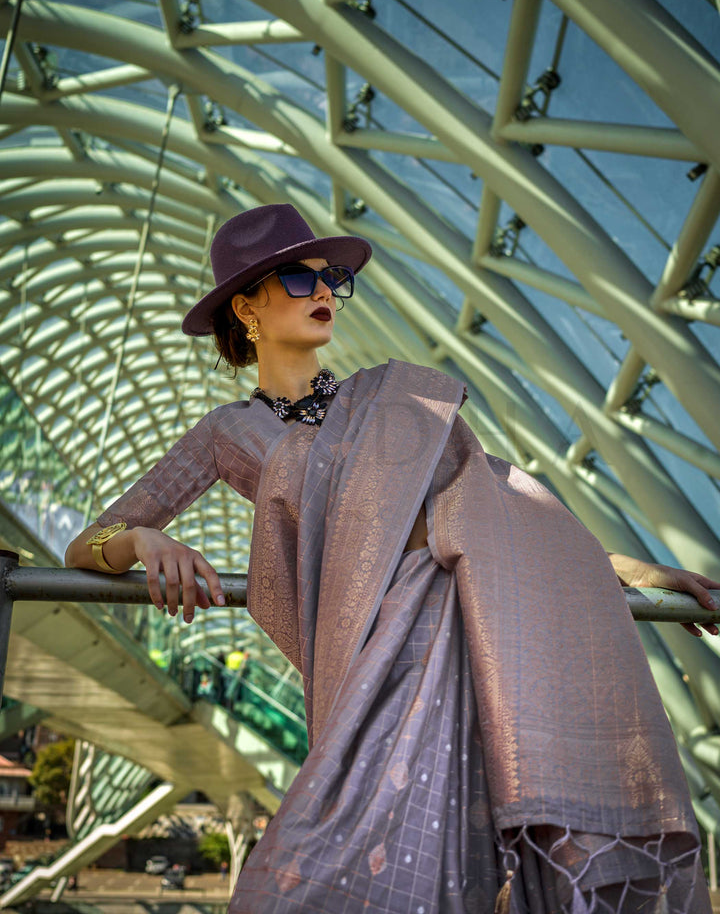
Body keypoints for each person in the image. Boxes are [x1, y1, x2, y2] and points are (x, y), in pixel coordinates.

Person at [65, 204, 719, 913]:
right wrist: (145, 541)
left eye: (333, 279)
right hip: (365, 657)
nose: (324, 293)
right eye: (297, 277)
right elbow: (91, 541)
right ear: (246, 307)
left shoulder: (396, 402)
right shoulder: (230, 430)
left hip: (461, 640)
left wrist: (634, 573)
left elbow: (497, 510)